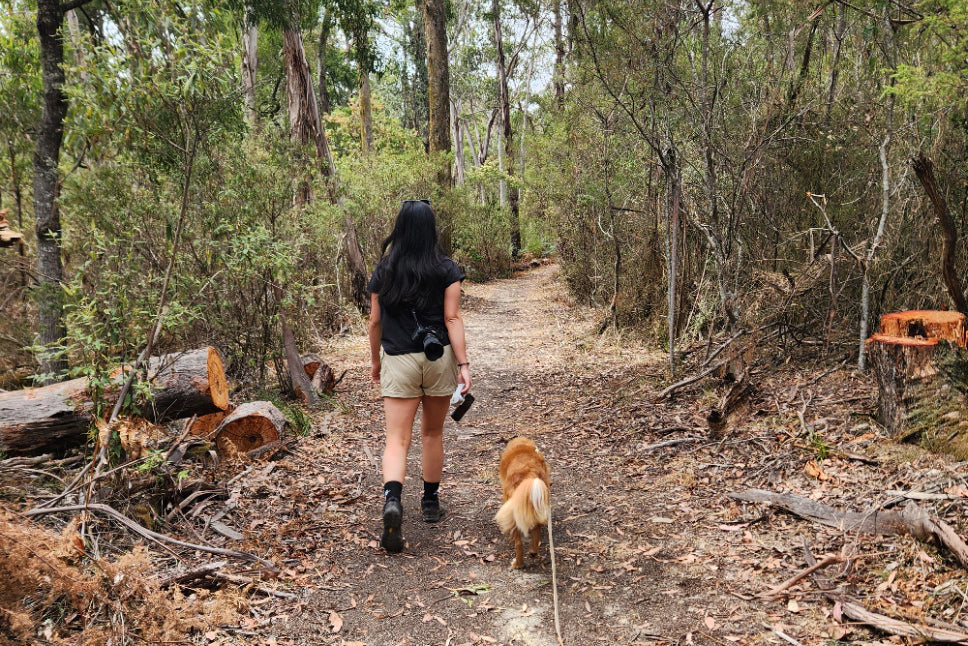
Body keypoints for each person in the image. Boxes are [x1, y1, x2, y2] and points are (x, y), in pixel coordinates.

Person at [367, 199, 472, 553]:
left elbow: (375, 322)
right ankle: (429, 503)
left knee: (397, 439)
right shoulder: (446, 268)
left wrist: (376, 361)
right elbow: (452, 318)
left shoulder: (385, 269)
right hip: (438, 358)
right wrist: (463, 364)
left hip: (398, 359)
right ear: (431, 229)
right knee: (432, 433)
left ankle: (392, 501)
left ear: (399, 228)